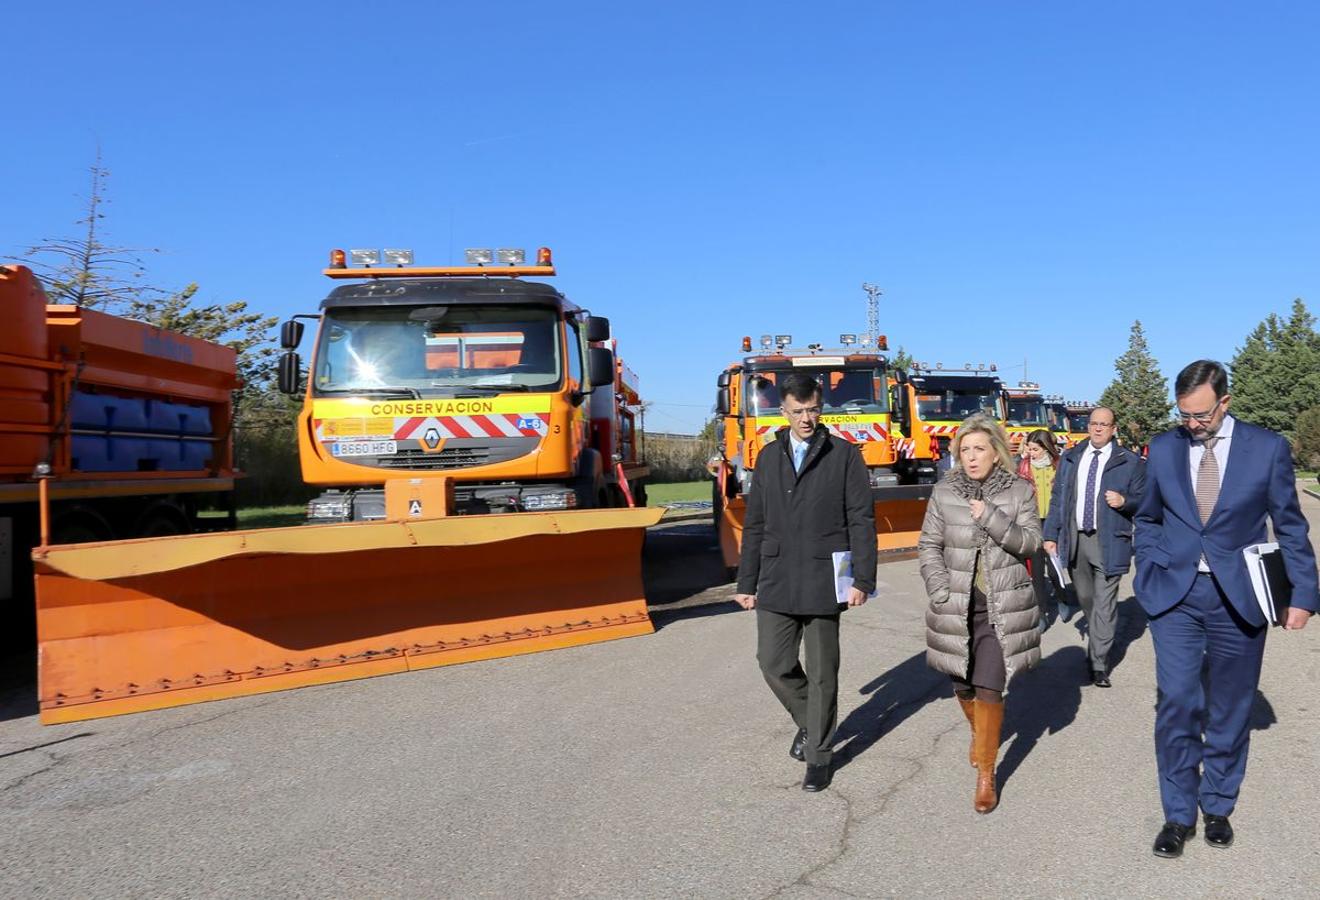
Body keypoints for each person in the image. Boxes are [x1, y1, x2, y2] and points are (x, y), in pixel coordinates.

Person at [1134, 360, 1316, 859]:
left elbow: (1290, 525)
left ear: (1225, 402)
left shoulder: (1268, 448)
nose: (1192, 425)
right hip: (1175, 596)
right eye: (1184, 415)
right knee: (1177, 702)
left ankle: (1217, 803)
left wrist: (1302, 595)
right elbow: (1147, 516)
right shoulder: (1167, 447)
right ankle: (1177, 814)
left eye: (1201, 416)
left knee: (1231, 708)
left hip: (1240, 598)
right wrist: (1149, 563)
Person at [734, 372, 877, 793]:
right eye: (798, 412)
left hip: (824, 578)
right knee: (773, 663)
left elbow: (861, 521)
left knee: (823, 674)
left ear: (821, 407)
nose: (807, 419)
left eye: (813, 409)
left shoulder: (845, 455)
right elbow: (755, 523)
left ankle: (819, 755)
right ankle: (809, 722)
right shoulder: (768, 456)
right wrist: (747, 581)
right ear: (783, 411)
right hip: (776, 577)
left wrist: (862, 579)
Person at [919, 414, 1041, 813]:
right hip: (955, 604)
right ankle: (980, 732)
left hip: (999, 605)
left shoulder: (1019, 490)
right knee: (963, 683)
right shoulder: (944, 491)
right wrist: (939, 589)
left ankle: (986, 773)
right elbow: (928, 546)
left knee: (990, 686)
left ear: (996, 453)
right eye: (964, 450)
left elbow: (1030, 543)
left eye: (979, 449)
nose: (971, 457)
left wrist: (989, 515)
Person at [1042, 407, 1145, 687]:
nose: (1098, 429)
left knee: (1104, 602)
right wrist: (1050, 533)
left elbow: (1144, 499)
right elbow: (1058, 499)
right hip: (1076, 539)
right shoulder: (1072, 457)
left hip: (1109, 540)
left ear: (1114, 428)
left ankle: (1098, 662)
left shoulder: (1130, 462)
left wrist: (1125, 501)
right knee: (1086, 598)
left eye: (1104, 424)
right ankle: (1098, 635)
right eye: (1094, 423)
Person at [1016, 429, 1063, 629]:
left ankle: (1063, 598)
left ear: (1045, 448)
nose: (1031, 453)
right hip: (1032, 522)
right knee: (1036, 571)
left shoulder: (1059, 465)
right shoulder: (1024, 467)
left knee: (1054, 569)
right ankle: (1041, 613)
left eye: (1035, 449)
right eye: (1029, 449)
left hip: (1053, 522)